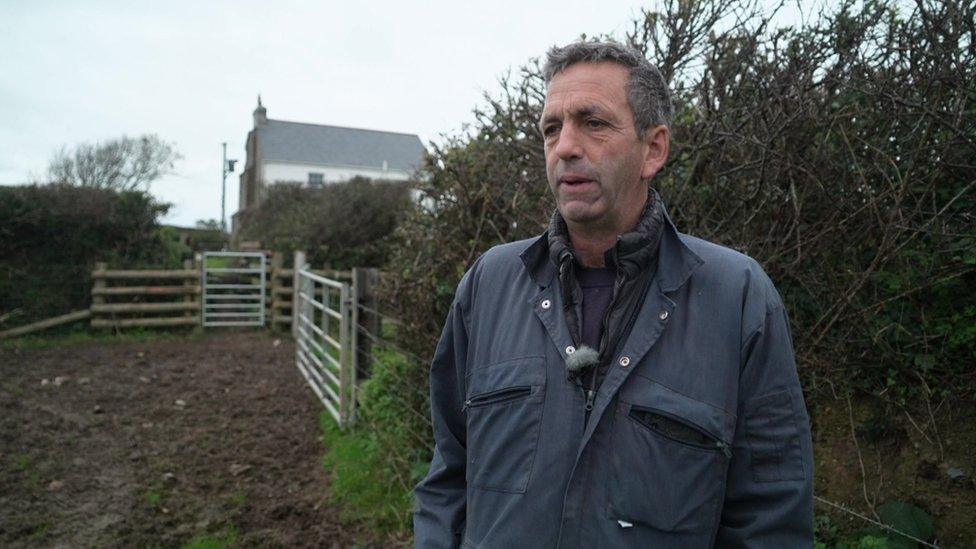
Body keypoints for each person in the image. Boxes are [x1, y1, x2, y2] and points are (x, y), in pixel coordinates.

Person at [413, 40, 814, 548]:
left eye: (593, 123)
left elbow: (771, 518)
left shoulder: (737, 298)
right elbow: (447, 477)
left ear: (654, 149)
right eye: (551, 128)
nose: (565, 147)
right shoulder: (490, 283)